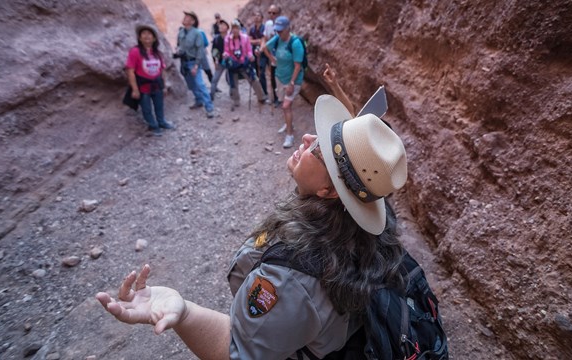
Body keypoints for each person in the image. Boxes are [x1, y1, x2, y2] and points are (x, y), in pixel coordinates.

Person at [96, 91, 412, 358]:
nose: (307, 137)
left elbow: (240, 352)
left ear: (328, 192)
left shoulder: (292, 278)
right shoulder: (361, 224)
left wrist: (184, 312)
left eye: (321, 150)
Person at [263, 16, 305, 148]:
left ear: (288, 28)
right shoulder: (278, 38)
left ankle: (290, 135)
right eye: (277, 30)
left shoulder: (295, 43)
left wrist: (292, 84)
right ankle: (288, 123)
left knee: (286, 106)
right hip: (279, 76)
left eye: (281, 30)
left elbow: (298, 66)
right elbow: (265, 47)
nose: (278, 33)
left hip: (292, 79)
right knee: (283, 103)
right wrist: (272, 58)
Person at [125, 24, 175, 136]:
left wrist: (164, 85)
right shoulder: (135, 52)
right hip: (143, 86)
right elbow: (130, 71)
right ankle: (153, 126)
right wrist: (135, 89)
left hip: (157, 85)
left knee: (159, 105)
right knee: (146, 108)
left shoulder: (157, 53)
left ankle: (162, 122)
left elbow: (162, 69)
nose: (147, 36)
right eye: (144, 34)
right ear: (139, 37)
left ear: (154, 38)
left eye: (149, 34)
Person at [176, 11, 215, 118]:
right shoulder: (181, 33)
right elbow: (179, 46)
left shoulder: (197, 33)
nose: (185, 18)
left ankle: (209, 107)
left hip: (193, 62)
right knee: (191, 84)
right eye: (185, 16)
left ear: (193, 21)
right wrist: (178, 51)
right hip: (184, 61)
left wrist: (197, 65)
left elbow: (200, 50)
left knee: (200, 84)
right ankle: (198, 100)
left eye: (188, 17)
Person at [222, 19, 266, 111]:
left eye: (236, 28)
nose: (235, 30)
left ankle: (261, 97)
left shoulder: (245, 38)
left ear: (239, 29)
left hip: (244, 62)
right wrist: (225, 55)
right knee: (233, 82)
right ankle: (236, 100)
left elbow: (249, 50)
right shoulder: (227, 39)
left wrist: (251, 56)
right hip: (233, 63)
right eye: (233, 28)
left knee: (253, 78)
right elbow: (226, 50)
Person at [260, 4, 281, 108]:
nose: (271, 15)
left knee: (281, 77)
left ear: (279, 14)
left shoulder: (283, 24)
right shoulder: (268, 24)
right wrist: (263, 46)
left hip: (281, 56)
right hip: (271, 55)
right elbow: (265, 37)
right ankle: (276, 98)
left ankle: (283, 97)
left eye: (274, 13)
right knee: (272, 77)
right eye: (269, 13)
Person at [249, 11, 268, 101]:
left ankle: (265, 91)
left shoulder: (264, 28)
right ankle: (259, 90)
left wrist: (257, 41)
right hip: (254, 52)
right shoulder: (252, 29)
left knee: (262, 71)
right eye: (255, 15)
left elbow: (264, 40)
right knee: (256, 72)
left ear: (262, 18)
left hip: (263, 53)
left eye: (258, 16)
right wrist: (258, 41)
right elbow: (250, 41)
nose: (256, 17)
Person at [210, 19, 229, 101]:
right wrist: (215, 61)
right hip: (221, 62)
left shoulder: (231, 38)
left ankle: (234, 96)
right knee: (214, 79)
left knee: (230, 79)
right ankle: (211, 96)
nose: (221, 26)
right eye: (220, 25)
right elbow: (214, 51)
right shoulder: (216, 39)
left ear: (227, 28)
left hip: (230, 62)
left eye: (223, 25)